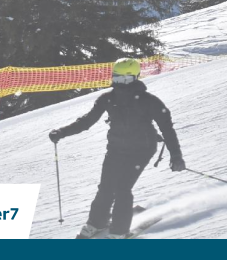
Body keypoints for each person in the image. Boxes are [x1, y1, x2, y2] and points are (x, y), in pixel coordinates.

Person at [49, 57, 185, 239]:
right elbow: (87, 121)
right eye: (117, 78)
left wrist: (176, 156)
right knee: (105, 187)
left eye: (125, 79)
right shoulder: (107, 99)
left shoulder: (150, 101)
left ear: (135, 78)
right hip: (116, 148)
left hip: (141, 149)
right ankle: (96, 223)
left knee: (122, 188)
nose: (121, 83)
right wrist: (62, 132)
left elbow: (167, 129)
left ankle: (119, 231)